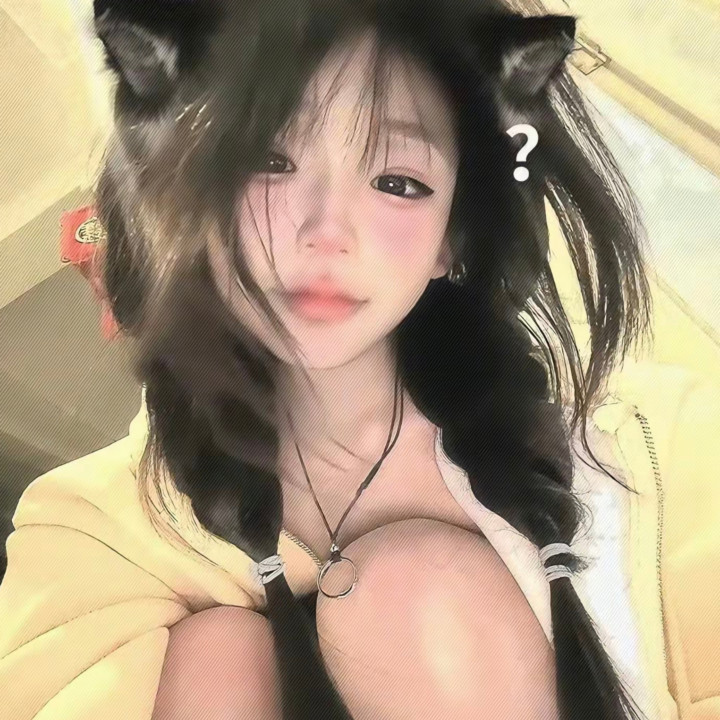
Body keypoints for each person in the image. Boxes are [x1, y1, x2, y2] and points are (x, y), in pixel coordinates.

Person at [1, 0, 720, 718]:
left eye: (398, 182)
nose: (328, 231)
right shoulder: (91, 530)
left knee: (407, 595)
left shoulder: (657, 445)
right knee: (217, 655)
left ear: (453, 238)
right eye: (269, 161)